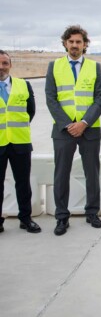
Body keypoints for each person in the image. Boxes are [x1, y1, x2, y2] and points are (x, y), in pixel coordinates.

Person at [45, 25, 101, 236]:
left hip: (89, 130)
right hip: (63, 131)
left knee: (92, 173)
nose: (75, 45)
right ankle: (62, 217)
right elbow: (51, 99)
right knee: (61, 174)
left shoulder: (94, 67)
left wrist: (84, 123)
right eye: (71, 41)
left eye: (79, 42)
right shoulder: (54, 66)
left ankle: (92, 212)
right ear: (65, 43)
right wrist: (68, 124)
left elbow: (100, 98)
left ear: (85, 44)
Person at [0, 50, 41, 234]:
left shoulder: (24, 85)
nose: (1, 67)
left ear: (10, 65)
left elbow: (30, 111)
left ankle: (25, 218)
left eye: (4, 63)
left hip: (20, 142)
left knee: (23, 183)